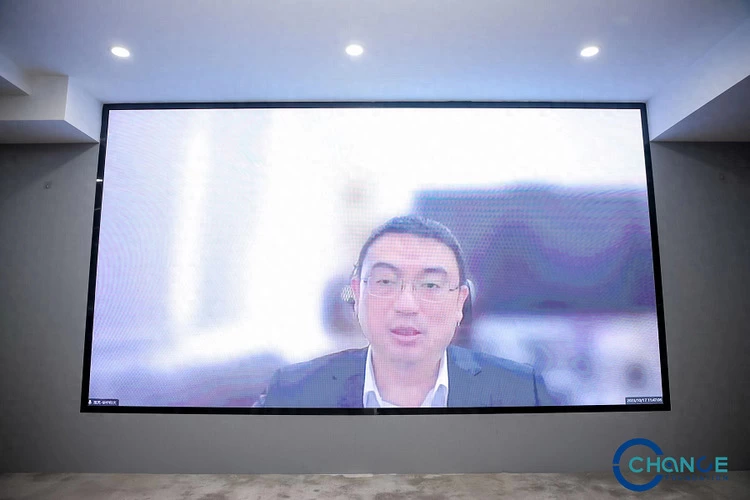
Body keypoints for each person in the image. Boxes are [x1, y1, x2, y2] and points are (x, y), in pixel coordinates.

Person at [257, 216, 553, 408]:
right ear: (357, 294)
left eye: (431, 285)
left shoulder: (521, 392)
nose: (407, 305)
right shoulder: (294, 392)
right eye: (386, 281)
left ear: (459, 303)